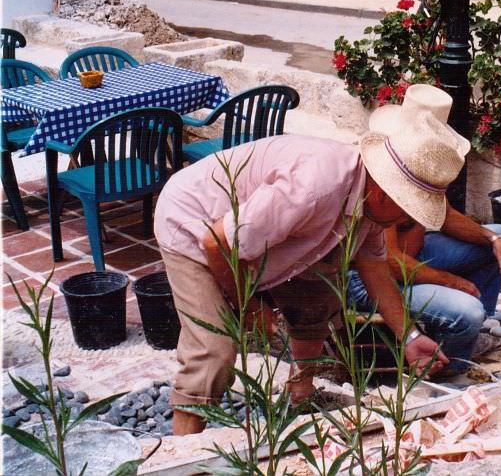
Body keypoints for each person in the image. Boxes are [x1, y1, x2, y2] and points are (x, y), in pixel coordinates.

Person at [153, 84, 467, 435]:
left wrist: (409, 337)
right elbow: (217, 243)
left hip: (255, 237)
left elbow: (375, 269)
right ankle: (183, 444)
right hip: (195, 223)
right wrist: (251, 305)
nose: (404, 221)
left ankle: (300, 397)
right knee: (214, 349)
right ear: (384, 190)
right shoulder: (312, 188)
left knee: (319, 294)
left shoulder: (372, 203)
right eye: (406, 208)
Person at [347, 85, 501, 374]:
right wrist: (449, 281)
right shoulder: (381, 169)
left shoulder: (420, 161)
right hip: (371, 277)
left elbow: (446, 215)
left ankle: (470, 335)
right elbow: (388, 261)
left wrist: (494, 238)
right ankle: (445, 366)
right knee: (467, 311)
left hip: (411, 255)